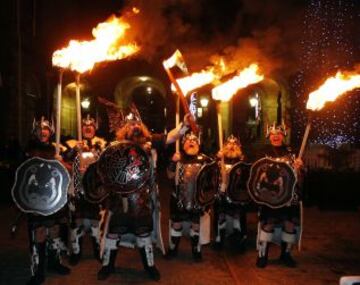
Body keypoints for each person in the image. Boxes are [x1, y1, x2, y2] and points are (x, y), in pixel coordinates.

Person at [22, 117, 71, 285]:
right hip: (36, 198)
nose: (43, 132)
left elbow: (69, 170)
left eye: (46, 129)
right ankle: (37, 271)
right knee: (39, 232)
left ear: (51, 132)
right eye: (40, 129)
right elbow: (25, 172)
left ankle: (54, 262)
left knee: (55, 230)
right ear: (35, 131)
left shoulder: (58, 148)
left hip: (55, 196)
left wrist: (61, 161)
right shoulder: (29, 150)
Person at [254, 122, 303, 268]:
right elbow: (257, 173)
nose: (276, 136)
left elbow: (298, 177)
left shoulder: (291, 153)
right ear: (269, 136)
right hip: (269, 196)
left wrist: (299, 167)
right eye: (273, 134)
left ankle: (286, 254)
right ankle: (263, 255)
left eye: (279, 134)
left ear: (283, 136)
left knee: (289, 224)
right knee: (268, 223)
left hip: (288, 195)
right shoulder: (262, 153)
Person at [65, 115, 107, 265]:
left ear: (95, 128)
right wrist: (74, 151)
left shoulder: (102, 143)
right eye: (85, 126)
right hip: (76, 188)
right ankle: (76, 252)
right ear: (81, 128)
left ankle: (97, 250)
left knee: (96, 221)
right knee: (77, 220)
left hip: (95, 189)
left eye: (91, 126)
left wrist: (95, 151)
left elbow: (106, 162)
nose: (88, 128)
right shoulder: (72, 144)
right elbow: (63, 160)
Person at [166, 132, 212, 262]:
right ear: (182, 144)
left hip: (197, 199)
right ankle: (173, 249)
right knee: (176, 224)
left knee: (196, 225)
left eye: (194, 141)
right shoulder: (177, 157)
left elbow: (211, 180)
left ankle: (196, 251)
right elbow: (169, 176)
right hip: (178, 198)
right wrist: (172, 162)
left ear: (199, 144)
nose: (191, 142)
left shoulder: (204, 159)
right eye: (188, 140)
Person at [213, 135, 249, 250]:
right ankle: (219, 240)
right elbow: (210, 175)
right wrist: (216, 159)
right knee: (220, 217)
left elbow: (248, 177)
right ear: (224, 146)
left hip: (237, 194)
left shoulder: (243, 160)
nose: (232, 146)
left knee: (237, 219)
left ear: (239, 146)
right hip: (222, 193)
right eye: (229, 143)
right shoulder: (219, 159)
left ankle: (239, 241)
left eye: (234, 144)